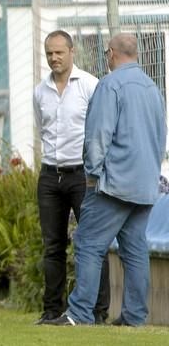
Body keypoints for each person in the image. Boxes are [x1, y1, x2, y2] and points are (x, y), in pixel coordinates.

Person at [48, 33, 166, 326]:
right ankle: (135, 317)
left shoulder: (110, 85)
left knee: (88, 242)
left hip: (115, 184)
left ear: (111, 53)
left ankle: (78, 314)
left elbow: (99, 135)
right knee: (135, 250)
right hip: (145, 184)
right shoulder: (153, 89)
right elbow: (160, 137)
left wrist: (92, 174)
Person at [32, 30, 110, 325]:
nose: (54, 58)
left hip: (83, 176)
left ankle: (97, 311)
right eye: (49, 53)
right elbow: (43, 129)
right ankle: (52, 310)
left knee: (92, 243)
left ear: (72, 51)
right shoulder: (40, 91)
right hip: (50, 175)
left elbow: (100, 129)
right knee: (52, 246)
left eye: (59, 52)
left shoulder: (90, 85)